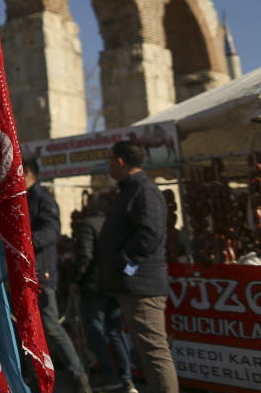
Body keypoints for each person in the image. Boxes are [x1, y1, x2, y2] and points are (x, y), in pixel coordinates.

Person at [98, 141, 178, 393]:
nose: (108, 164)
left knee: (155, 352)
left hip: (143, 286)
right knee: (148, 352)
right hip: (133, 284)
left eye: (110, 158)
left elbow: (150, 234)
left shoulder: (143, 190)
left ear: (120, 161)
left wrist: (124, 261)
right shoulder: (131, 189)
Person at [25, 160, 92, 393]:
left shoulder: (43, 201)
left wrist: (23, 242)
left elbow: (51, 232)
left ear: (27, 173)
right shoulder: (23, 199)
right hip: (23, 274)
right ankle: (35, 375)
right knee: (28, 328)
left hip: (41, 275)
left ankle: (78, 375)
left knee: (52, 326)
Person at [74, 193, 136, 393]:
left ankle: (110, 374)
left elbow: (85, 256)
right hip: (113, 283)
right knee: (114, 330)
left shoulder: (88, 225)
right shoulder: (117, 225)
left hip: (94, 285)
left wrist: (76, 280)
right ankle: (126, 377)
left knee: (96, 329)